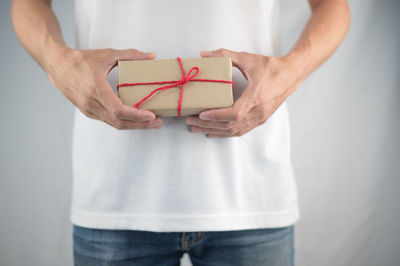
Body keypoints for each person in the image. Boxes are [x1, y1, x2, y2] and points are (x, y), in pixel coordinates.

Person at [11, 0, 350, 265]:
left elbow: (333, 4)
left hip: (251, 193)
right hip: (114, 196)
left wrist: (291, 71)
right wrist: (59, 63)